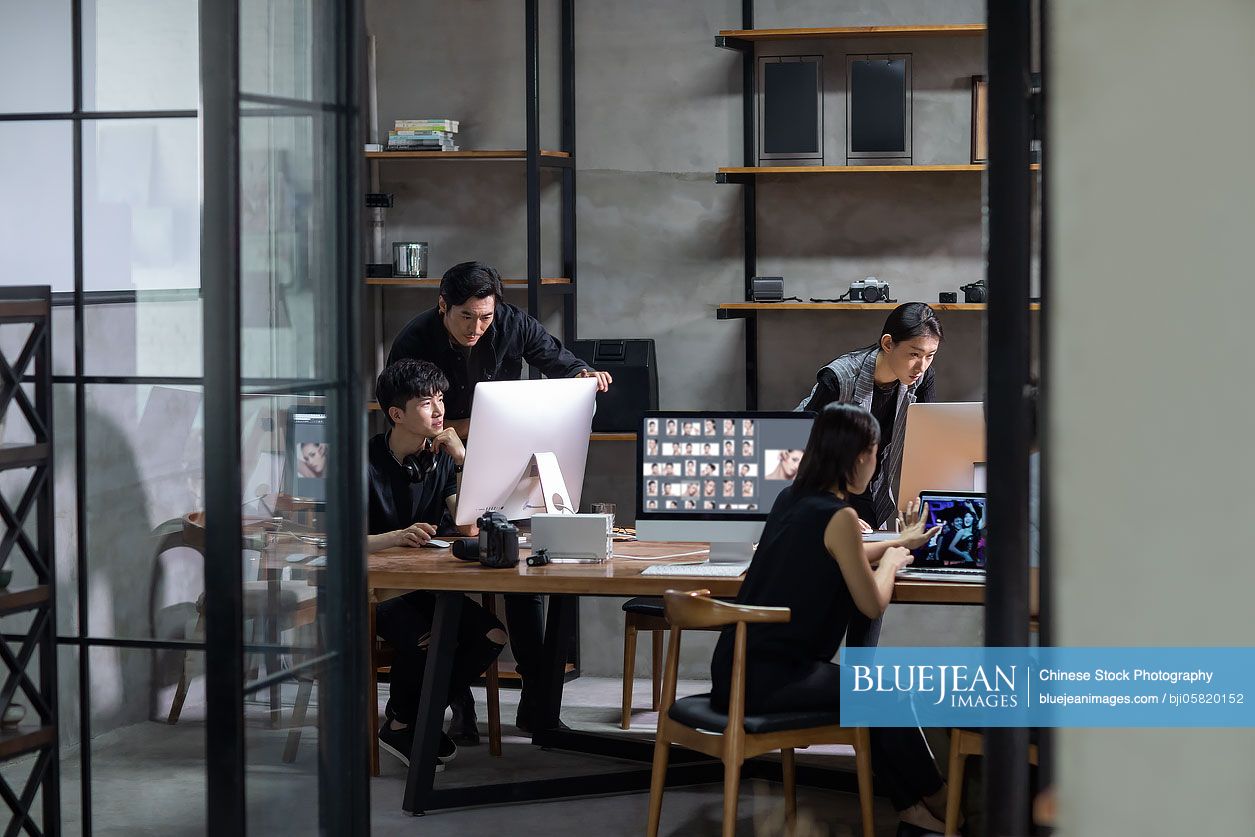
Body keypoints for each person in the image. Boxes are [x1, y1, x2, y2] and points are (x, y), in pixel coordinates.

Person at [386, 261, 612, 733]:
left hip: (497, 455)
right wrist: (457, 434)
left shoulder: (511, 322)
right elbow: (411, 415)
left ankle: (538, 701)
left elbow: (559, 360)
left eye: (485, 317)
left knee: (523, 571)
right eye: (466, 316)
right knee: (445, 576)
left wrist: (583, 375)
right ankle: (458, 703)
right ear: (443, 305)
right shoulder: (414, 339)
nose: (477, 328)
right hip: (438, 459)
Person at [709, 403, 951, 833]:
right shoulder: (839, 516)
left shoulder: (793, 500)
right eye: (876, 453)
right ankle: (942, 800)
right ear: (860, 456)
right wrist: (894, 560)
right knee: (883, 695)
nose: (876, 466)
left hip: (736, 668)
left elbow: (839, 550)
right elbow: (871, 604)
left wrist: (899, 539)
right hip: (775, 679)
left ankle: (914, 810)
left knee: (868, 694)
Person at [367, 360, 508, 766]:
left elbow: (467, 528)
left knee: (492, 636)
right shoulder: (363, 461)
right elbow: (338, 545)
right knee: (428, 637)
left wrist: (462, 461)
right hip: (377, 591)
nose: (439, 410)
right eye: (427, 402)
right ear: (396, 414)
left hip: (425, 586)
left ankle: (404, 722)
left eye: (441, 399)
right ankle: (411, 726)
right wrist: (395, 536)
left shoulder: (440, 458)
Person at [795, 302, 942, 531]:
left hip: (867, 481)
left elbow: (930, 440)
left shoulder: (922, 378)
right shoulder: (839, 378)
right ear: (888, 343)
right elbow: (800, 446)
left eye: (930, 356)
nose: (921, 366)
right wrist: (830, 509)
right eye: (914, 354)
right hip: (825, 485)